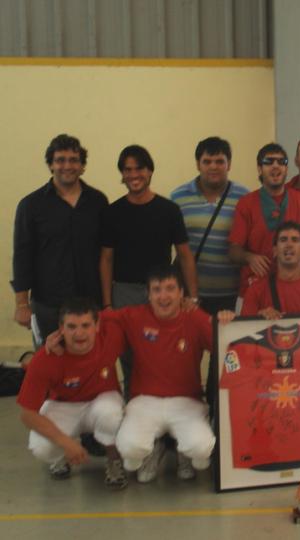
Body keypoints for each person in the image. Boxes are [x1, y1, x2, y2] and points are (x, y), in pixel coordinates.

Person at [112, 265, 232, 483]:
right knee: (129, 450)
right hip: (145, 401)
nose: (163, 296)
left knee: (202, 450)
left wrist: (227, 323)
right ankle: (152, 448)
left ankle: (184, 451)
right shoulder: (134, 316)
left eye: (170, 289)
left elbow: (228, 344)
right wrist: (61, 337)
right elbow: (95, 322)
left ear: (181, 293)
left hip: (186, 402)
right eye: (157, 290)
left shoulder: (194, 317)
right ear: (148, 295)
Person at [99, 144, 198, 395]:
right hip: (125, 293)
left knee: (164, 352)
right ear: (122, 175)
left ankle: (167, 403)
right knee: (129, 355)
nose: (134, 175)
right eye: (127, 169)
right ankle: (133, 404)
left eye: (139, 168)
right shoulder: (112, 212)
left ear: (150, 171)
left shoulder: (169, 210)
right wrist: (107, 303)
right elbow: (106, 259)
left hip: (162, 292)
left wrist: (192, 296)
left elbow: (185, 255)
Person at [17, 297, 127, 489]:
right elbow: (27, 415)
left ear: (97, 325)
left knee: (112, 416)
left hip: (101, 402)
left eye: (86, 325)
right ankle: (61, 456)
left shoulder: (111, 335)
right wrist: (65, 442)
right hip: (63, 406)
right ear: (61, 328)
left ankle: (114, 460)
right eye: (71, 327)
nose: (79, 333)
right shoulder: (46, 357)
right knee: (41, 448)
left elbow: (139, 314)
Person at [12, 134, 108, 345]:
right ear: (50, 165)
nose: (67, 166)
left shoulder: (98, 202)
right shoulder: (30, 205)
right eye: (60, 160)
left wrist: (107, 303)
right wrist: (21, 304)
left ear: (82, 166)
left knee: (91, 360)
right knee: (50, 360)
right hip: (48, 305)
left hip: (90, 303)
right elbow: (22, 256)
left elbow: (106, 254)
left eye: (74, 160)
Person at [228, 143, 300, 307]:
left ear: (286, 169)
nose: (275, 166)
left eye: (281, 162)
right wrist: (249, 257)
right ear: (259, 169)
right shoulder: (246, 203)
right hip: (253, 290)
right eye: (269, 162)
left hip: (294, 290)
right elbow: (233, 251)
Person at [171, 136, 249, 315]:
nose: (213, 167)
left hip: (233, 295)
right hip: (190, 297)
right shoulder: (178, 197)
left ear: (229, 164)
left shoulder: (244, 197)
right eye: (207, 161)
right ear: (198, 164)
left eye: (220, 161)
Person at [241, 221, 300, 318]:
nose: (289, 244)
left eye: (295, 240)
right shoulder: (256, 290)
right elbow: (244, 327)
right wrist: (259, 318)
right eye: (283, 240)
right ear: (275, 251)